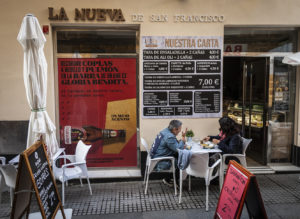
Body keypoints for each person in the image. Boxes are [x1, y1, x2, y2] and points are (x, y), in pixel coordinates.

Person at [151, 120, 187, 187]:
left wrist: (179, 142)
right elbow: (178, 149)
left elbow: (170, 144)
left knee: (177, 156)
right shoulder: (169, 136)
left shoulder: (164, 131)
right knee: (180, 159)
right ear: (174, 129)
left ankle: (169, 179)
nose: (179, 131)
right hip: (159, 162)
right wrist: (182, 140)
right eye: (179, 129)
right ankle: (176, 182)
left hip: (155, 157)